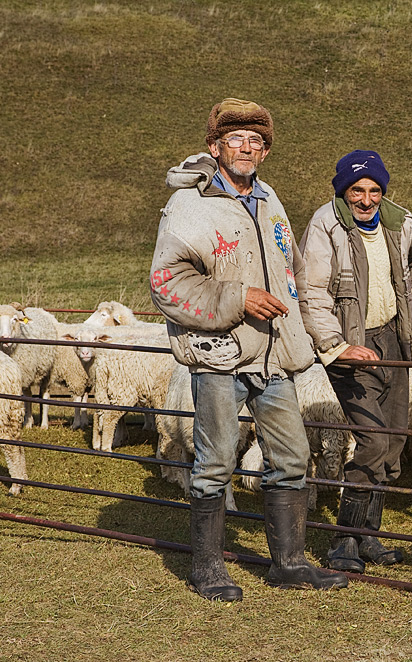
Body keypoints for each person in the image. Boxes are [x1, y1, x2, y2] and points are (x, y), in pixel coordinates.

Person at [149, 98, 347, 600]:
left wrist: (317, 337)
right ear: (215, 146)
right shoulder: (190, 206)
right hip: (219, 353)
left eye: (255, 141)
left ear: (265, 151)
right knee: (215, 463)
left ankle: (289, 563)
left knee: (292, 458)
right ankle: (208, 568)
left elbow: (293, 272)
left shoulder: (268, 199)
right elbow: (167, 281)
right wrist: (238, 298)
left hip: (274, 356)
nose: (246, 148)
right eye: (235, 139)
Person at [300, 150, 412, 573]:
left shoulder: (398, 221)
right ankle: (343, 540)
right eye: (357, 190)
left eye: (374, 190)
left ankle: (368, 537)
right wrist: (337, 346)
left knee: (392, 443)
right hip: (351, 347)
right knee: (373, 440)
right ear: (344, 190)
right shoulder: (326, 225)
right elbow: (311, 291)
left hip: (393, 341)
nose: (366, 199)